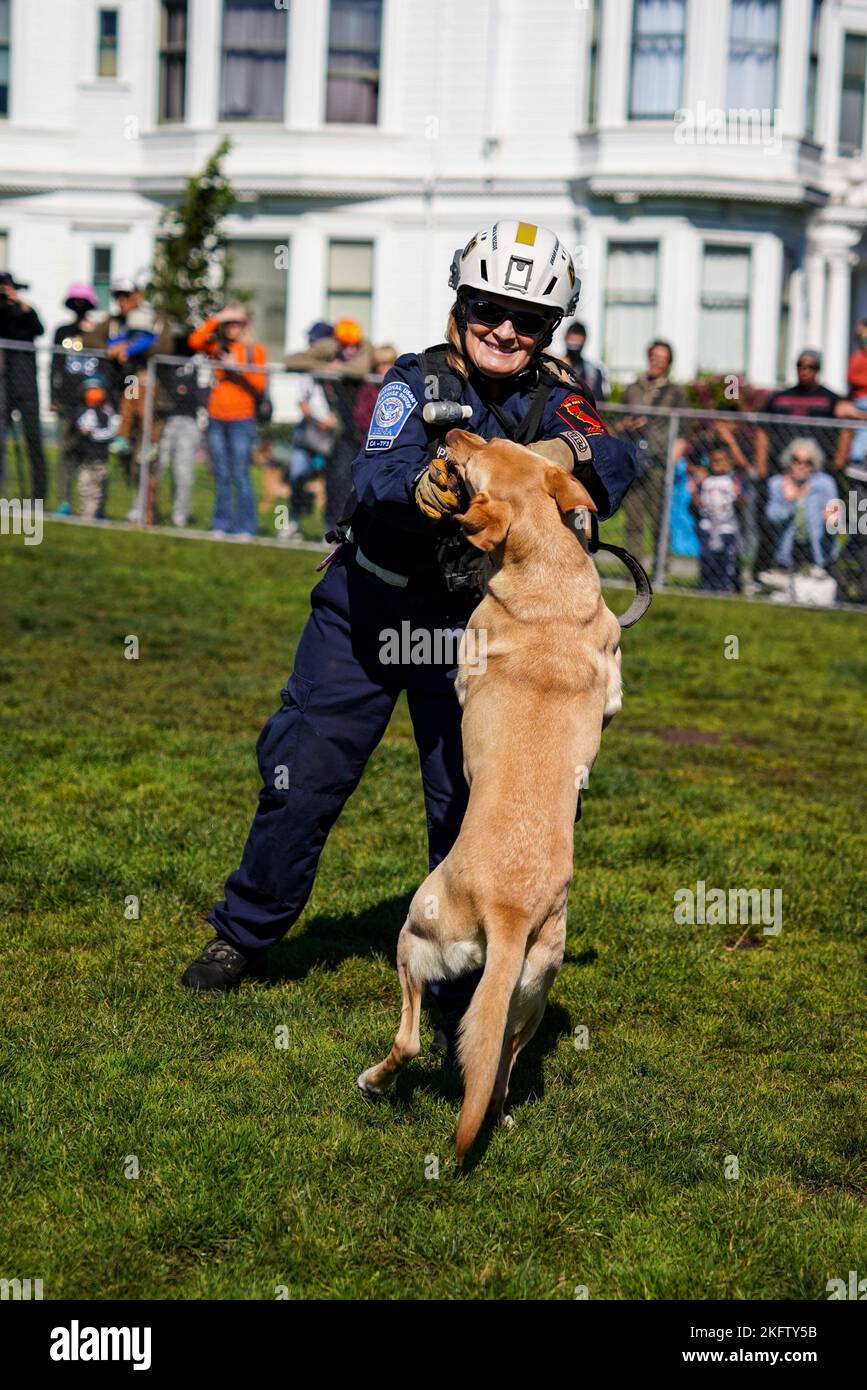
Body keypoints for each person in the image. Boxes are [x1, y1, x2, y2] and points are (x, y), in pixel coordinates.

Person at [180, 218, 638, 1058]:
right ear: (462, 304)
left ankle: (471, 975)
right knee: (303, 774)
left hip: (467, 634)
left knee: (469, 803)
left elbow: (618, 460)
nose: (505, 329)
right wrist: (422, 487)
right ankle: (243, 933)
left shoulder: (559, 396)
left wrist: (555, 448)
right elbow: (376, 469)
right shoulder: (414, 378)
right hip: (366, 612)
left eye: (527, 320)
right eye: (490, 308)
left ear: (549, 333)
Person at [82, 278, 172, 495]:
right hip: (125, 388)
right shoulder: (114, 322)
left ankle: (147, 513)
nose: (121, 301)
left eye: (126, 296)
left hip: (152, 391)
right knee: (126, 451)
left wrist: (129, 349)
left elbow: (164, 347)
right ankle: (136, 504)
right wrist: (110, 349)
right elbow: (88, 340)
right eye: (117, 296)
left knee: (148, 458)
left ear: (138, 296)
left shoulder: (155, 320)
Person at [286, 318, 374, 535]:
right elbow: (291, 361)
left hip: (362, 434)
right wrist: (327, 366)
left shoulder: (366, 351)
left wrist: (337, 369)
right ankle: (326, 527)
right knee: (332, 482)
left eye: (354, 345)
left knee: (359, 484)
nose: (351, 350)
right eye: (345, 345)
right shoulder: (331, 353)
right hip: (337, 436)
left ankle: (357, 530)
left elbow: (358, 369)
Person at [188, 303, 268, 540]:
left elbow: (260, 385)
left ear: (245, 325)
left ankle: (246, 527)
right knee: (221, 472)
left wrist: (238, 369)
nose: (232, 328)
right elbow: (194, 342)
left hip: (242, 419)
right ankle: (221, 524)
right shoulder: (218, 347)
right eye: (228, 324)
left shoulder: (255, 351)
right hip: (216, 417)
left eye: (237, 323)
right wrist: (218, 317)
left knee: (240, 473)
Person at [620, 340, 688, 561]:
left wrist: (672, 461)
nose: (656, 362)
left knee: (660, 520)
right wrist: (627, 424)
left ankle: (661, 569)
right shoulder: (633, 388)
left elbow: (685, 431)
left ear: (668, 363)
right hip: (635, 461)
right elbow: (618, 422)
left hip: (659, 462)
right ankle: (634, 570)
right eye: (653, 357)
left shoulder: (675, 392)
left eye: (662, 358)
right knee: (633, 519)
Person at [279, 322, 340, 540]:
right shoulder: (308, 367)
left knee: (332, 484)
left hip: (332, 436)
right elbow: (302, 402)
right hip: (308, 433)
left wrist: (334, 420)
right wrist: (316, 420)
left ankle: (329, 529)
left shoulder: (339, 366)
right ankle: (288, 523)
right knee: (295, 477)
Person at [50, 283, 103, 515]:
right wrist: (54, 397)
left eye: (84, 304)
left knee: (94, 455)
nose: (80, 308)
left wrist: (93, 333)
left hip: (92, 403)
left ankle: (95, 505)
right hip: (67, 402)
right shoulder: (63, 332)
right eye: (76, 304)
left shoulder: (98, 331)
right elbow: (55, 366)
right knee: (66, 454)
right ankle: (64, 500)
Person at [150, 331, 205, 527]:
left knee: (184, 471)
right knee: (156, 465)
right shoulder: (164, 363)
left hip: (189, 422)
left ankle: (180, 514)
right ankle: (144, 510)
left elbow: (203, 394)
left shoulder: (200, 366)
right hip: (166, 420)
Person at [761, 437, 838, 579]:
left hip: (817, 549)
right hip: (788, 548)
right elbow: (772, 518)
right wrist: (788, 502)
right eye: (796, 460)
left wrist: (831, 519)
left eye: (807, 462)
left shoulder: (825, 484)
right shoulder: (777, 484)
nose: (801, 465)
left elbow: (836, 522)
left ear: (813, 464)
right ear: (789, 461)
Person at [0, 270, 47, 501]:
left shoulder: (25, 310)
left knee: (34, 442)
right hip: (3, 385)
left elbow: (39, 330)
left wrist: (20, 304)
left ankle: (39, 495)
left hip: (26, 385)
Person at [688, 435, 744, 593]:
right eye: (715, 461)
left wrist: (739, 493)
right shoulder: (706, 481)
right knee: (707, 557)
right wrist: (694, 492)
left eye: (722, 461)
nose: (718, 464)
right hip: (708, 524)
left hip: (726, 526)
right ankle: (707, 585)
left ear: (729, 463)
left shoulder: (732, 481)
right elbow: (698, 502)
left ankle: (724, 585)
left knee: (726, 558)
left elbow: (740, 501)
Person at [70, 376, 117, 520]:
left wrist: (94, 433)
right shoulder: (82, 410)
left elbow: (111, 431)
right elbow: (79, 425)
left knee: (97, 488)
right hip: (84, 457)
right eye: (90, 390)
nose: (93, 393)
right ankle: (85, 512)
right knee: (84, 485)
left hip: (100, 457)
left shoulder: (106, 411)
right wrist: (83, 431)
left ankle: (92, 514)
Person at [561, 320, 607, 402]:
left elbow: (600, 401)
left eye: (578, 343)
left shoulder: (593, 372)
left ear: (584, 341)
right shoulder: (555, 367)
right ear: (565, 338)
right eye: (572, 342)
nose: (574, 347)